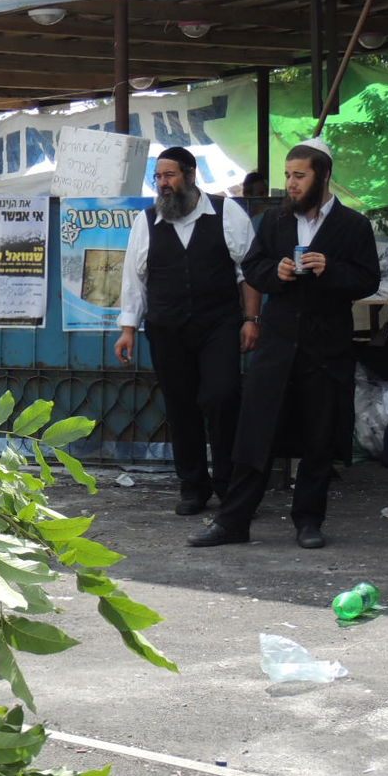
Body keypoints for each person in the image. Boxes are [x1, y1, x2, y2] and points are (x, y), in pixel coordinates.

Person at [189, 140, 381, 549]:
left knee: (318, 437)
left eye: (300, 176)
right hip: (277, 348)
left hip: (325, 349)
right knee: (254, 435)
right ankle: (233, 521)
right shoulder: (276, 221)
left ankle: (308, 521)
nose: (291, 184)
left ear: (323, 176)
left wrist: (330, 269)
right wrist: (276, 272)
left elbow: (367, 280)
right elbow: (253, 267)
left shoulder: (352, 225)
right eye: (288, 176)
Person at [115, 146, 262, 515]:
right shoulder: (147, 222)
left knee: (222, 397)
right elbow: (134, 280)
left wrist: (251, 319)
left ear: (191, 175)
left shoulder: (227, 213)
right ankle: (193, 487)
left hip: (218, 325)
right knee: (181, 406)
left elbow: (249, 272)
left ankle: (229, 484)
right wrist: (128, 329)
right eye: (158, 177)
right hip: (167, 328)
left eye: (170, 175)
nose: (163, 184)